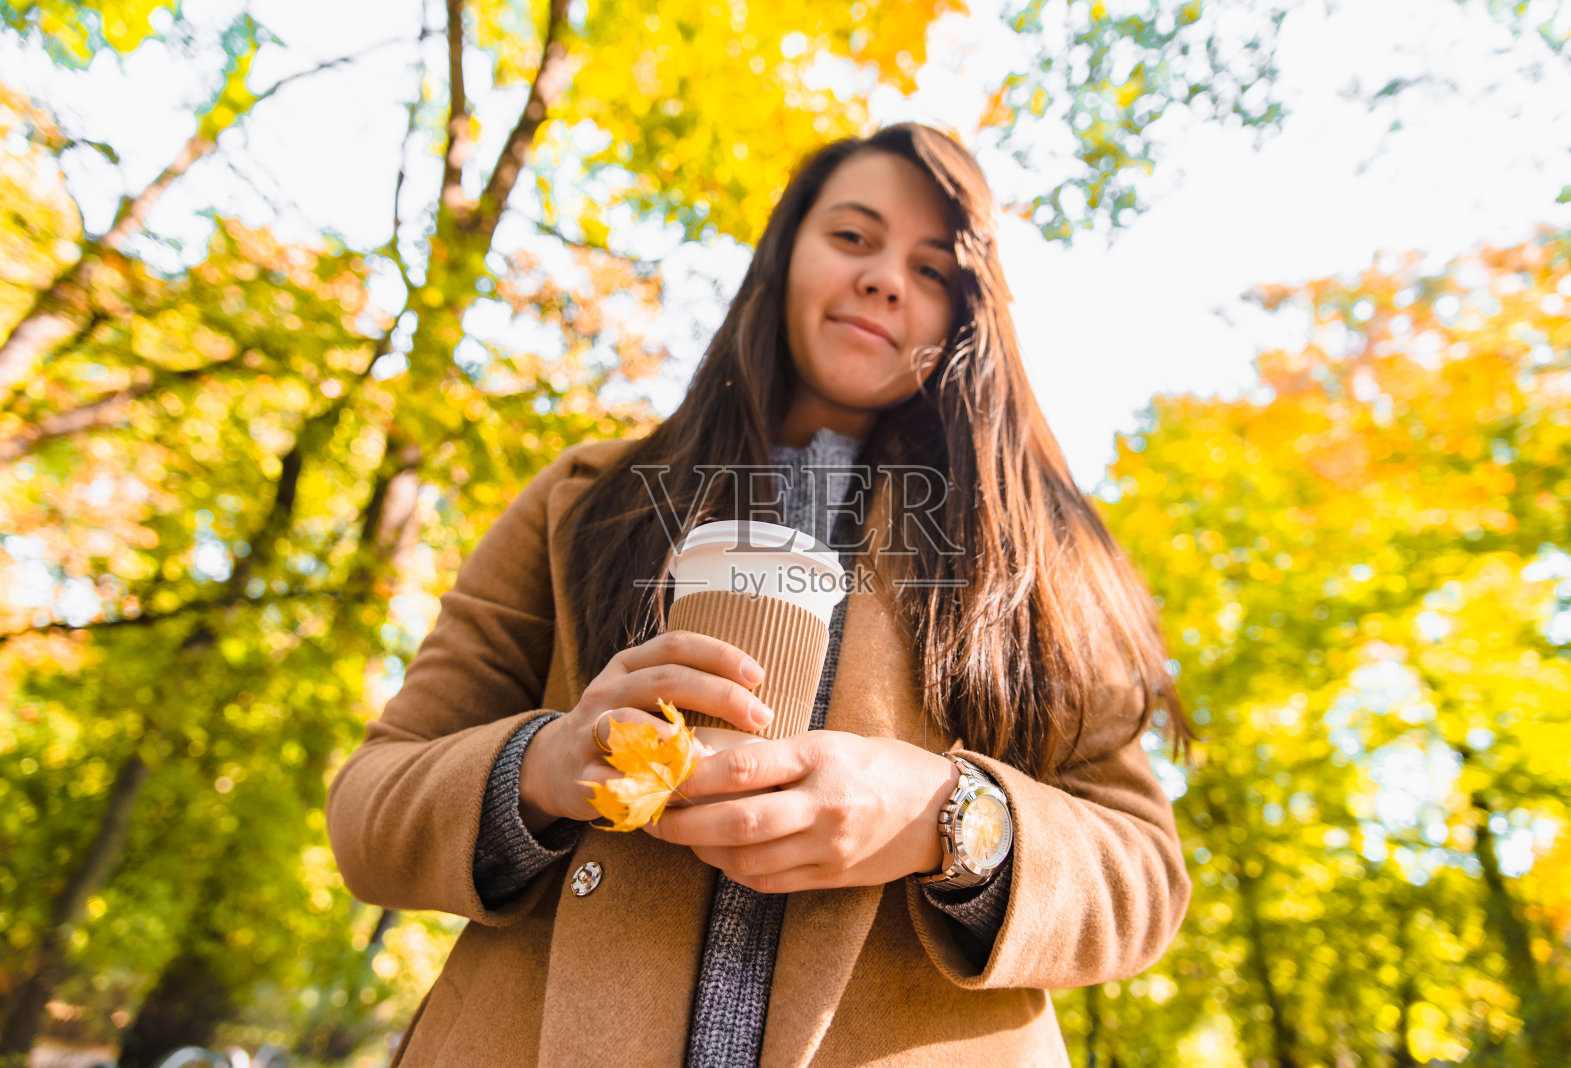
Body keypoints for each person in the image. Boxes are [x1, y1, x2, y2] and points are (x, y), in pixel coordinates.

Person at [326, 123, 1192, 1067]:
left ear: (965, 319)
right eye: (853, 237)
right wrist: (546, 763)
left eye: (932, 270)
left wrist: (948, 817)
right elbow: (369, 807)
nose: (884, 280)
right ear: (783, 256)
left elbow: (1145, 878)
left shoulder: (1037, 556)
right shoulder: (585, 500)